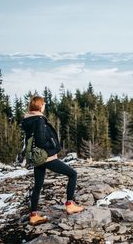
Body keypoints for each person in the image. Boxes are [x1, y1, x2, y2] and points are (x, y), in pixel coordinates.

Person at [21, 96, 84, 226]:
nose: (44, 105)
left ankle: (33, 215)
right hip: (46, 157)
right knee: (72, 174)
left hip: (36, 157)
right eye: (43, 104)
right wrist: (52, 147)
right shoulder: (39, 120)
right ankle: (70, 204)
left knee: (38, 186)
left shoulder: (28, 120)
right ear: (40, 106)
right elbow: (40, 140)